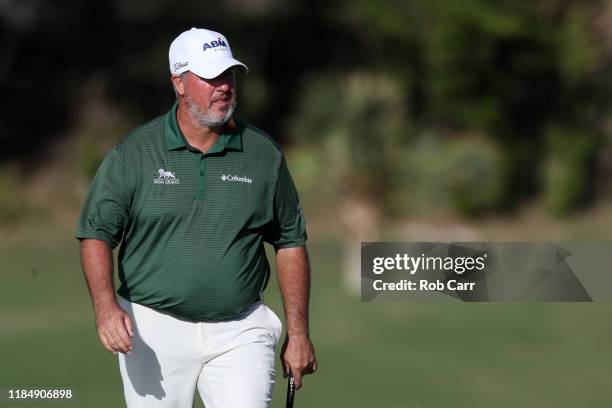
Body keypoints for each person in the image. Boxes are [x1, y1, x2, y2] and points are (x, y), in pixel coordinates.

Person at [76, 27, 317, 408]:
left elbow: (289, 241)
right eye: (211, 77)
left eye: (229, 76)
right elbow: (96, 234)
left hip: (241, 327)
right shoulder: (136, 152)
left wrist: (299, 333)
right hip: (152, 329)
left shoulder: (263, 153)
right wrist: (106, 309)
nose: (224, 86)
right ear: (180, 83)